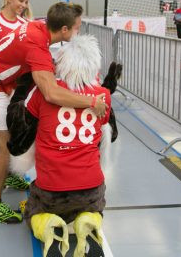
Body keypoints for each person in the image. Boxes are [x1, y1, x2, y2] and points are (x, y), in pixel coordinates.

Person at [0, 2, 108, 224]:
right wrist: (90, 100)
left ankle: (10, 175)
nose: (78, 32)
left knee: (12, 136)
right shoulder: (38, 48)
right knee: (6, 146)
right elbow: (51, 94)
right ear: (64, 30)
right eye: (76, 27)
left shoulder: (37, 26)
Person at [21, 34, 111, 257]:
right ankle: (88, 222)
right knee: (94, 207)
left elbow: (27, 125)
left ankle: (49, 227)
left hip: (52, 186)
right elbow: (102, 130)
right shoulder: (103, 96)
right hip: (91, 185)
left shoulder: (44, 91)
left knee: (33, 211)